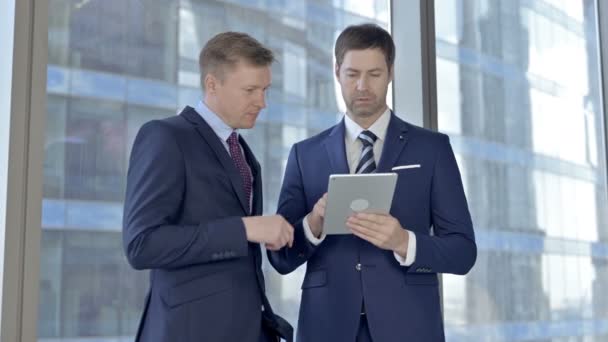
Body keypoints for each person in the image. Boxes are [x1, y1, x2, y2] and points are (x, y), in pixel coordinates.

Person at [268, 23, 477, 342]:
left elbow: (463, 252)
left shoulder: (432, 149)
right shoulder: (304, 155)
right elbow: (280, 258)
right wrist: (313, 224)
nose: (363, 86)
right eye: (352, 74)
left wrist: (403, 241)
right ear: (337, 72)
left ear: (390, 72)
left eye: (374, 74)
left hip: (409, 326)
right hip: (327, 327)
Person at [123, 32, 294, 342]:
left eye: (265, 90)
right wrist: (244, 229)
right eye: (250, 90)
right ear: (212, 84)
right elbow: (141, 244)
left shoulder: (242, 152)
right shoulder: (165, 137)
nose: (262, 102)